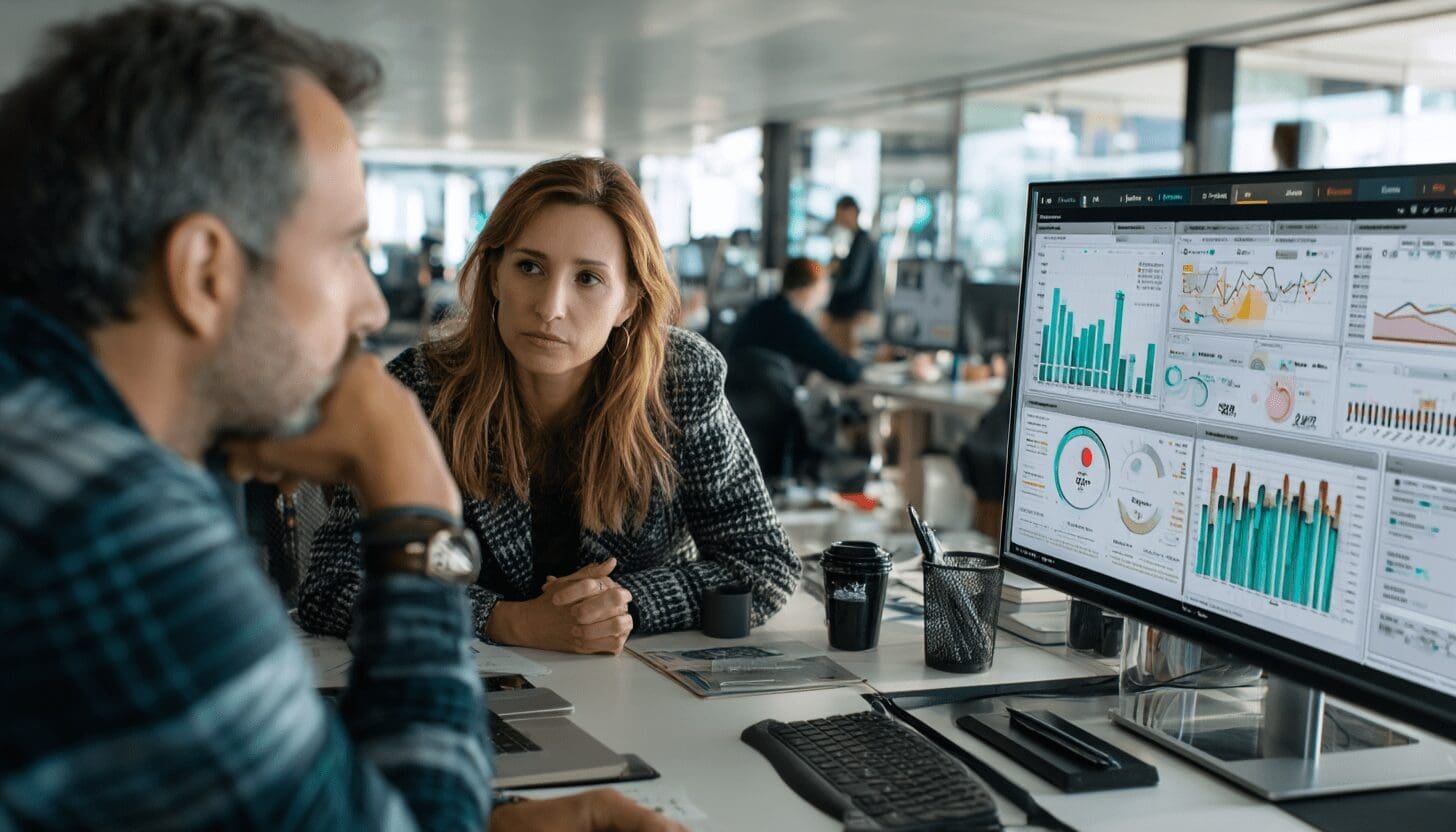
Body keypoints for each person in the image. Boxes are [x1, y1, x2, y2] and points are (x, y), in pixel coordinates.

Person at [0, 4, 678, 830]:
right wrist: (413, 489)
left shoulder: (44, 437)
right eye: (344, 248)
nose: (367, 303)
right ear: (205, 271)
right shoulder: (104, 523)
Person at [299, 156, 801, 654]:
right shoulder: (423, 387)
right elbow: (332, 584)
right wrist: (504, 620)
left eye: (588, 279)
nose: (549, 307)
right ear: (495, 276)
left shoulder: (678, 378)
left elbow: (761, 562)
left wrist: (619, 605)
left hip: (636, 688)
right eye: (530, 267)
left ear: (628, 300)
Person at [731, 257, 864, 385]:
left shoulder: (760, 309)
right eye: (821, 292)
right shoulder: (792, 323)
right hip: (774, 402)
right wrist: (864, 366)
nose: (821, 301)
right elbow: (842, 370)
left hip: (738, 397)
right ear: (807, 290)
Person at [823, 195, 880, 357]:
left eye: (840, 213)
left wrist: (834, 274)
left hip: (852, 314)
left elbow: (852, 279)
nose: (837, 218)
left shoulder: (862, 241)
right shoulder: (856, 240)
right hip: (849, 313)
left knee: (846, 359)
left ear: (852, 212)